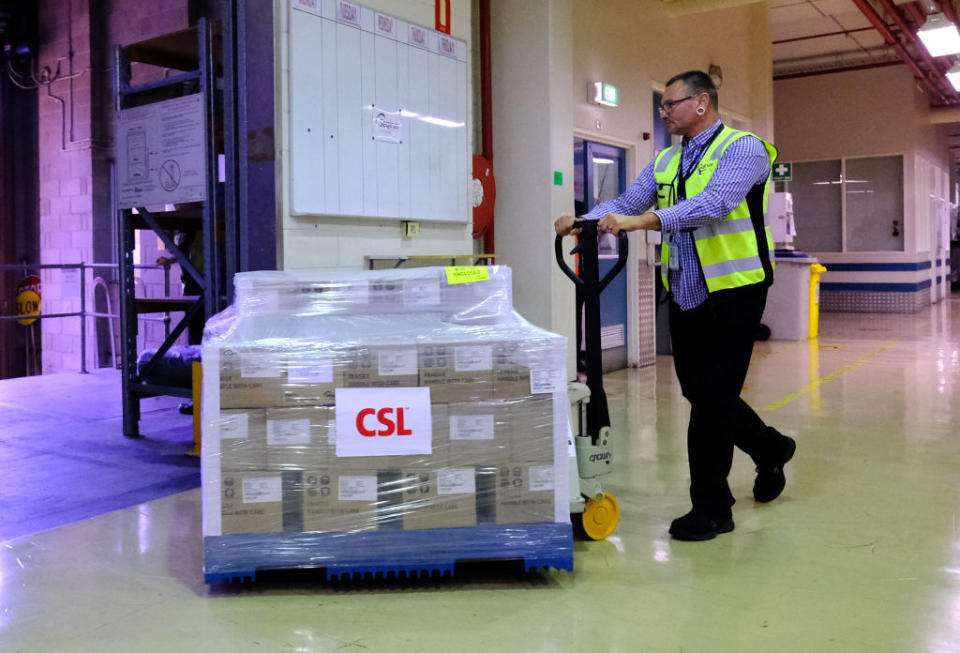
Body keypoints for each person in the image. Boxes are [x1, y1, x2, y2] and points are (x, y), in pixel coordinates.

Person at [555, 70, 796, 541]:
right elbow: (627, 200)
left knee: (710, 400)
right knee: (703, 394)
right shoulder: (667, 161)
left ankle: (712, 507)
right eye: (663, 106)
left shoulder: (744, 149)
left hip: (735, 290)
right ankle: (770, 448)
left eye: (671, 104)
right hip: (685, 288)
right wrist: (581, 218)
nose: (664, 112)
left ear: (701, 102)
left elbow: (715, 204)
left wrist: (642, 222)